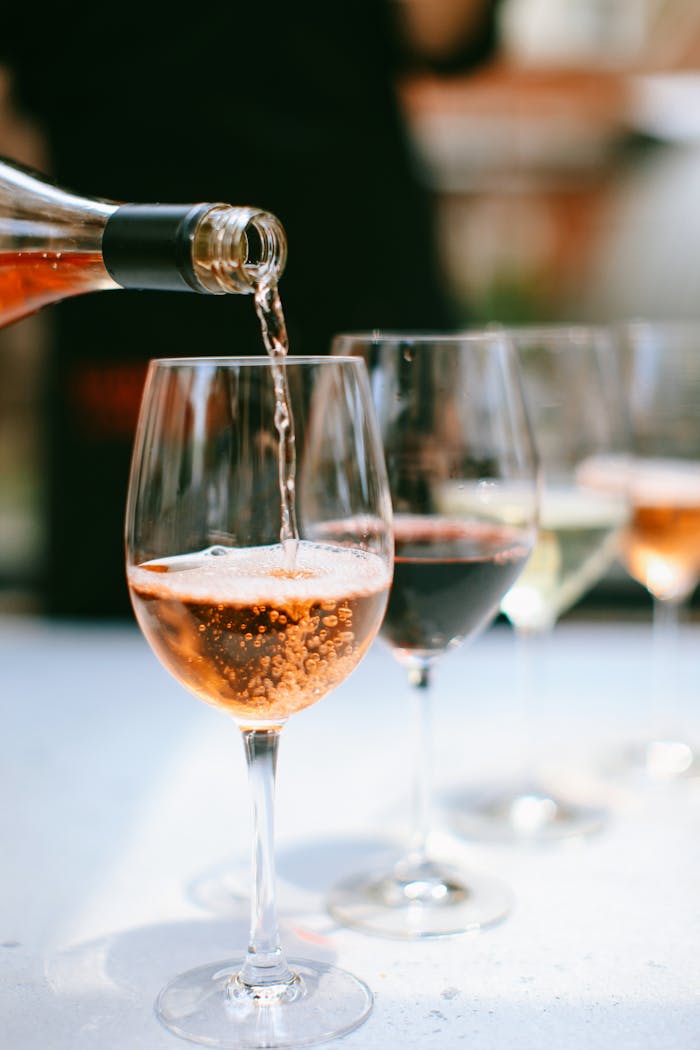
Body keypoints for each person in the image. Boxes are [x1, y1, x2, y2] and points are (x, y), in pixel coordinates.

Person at [1, 1, 501, 617]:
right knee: (132, 603)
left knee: (403, 601)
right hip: (129, 272)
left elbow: (446, 34)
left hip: (358, 268)